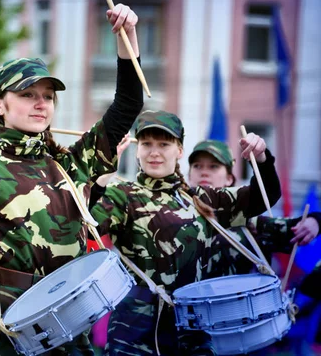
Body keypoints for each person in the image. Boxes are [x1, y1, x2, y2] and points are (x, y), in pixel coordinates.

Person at [0, 2, 145, 355]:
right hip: (8, 326)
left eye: (48, 97)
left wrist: (127, 37)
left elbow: (128, 103)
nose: (41, 104)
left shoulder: (72, 162)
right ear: (0, 105)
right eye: (27, 95)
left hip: (71, 316)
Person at [89, 110, 282, 355]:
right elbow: (87, 223)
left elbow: (262, 198)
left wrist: (262, 159)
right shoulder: (122, 195)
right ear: (137, 149)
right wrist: (99, 176)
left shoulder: (200, 198)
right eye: (146, 143)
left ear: (179, 150)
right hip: (135, 331)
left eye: (164, 144)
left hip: (192, 329)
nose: (154, 152)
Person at [187, 140, 320, 278]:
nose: (204, 172)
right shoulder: (176, 215)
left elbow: (294, 228)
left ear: (229, 178)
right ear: (189, 175)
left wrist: (315, 221)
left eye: (213, 166)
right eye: (197, 166)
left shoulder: (249, 223)